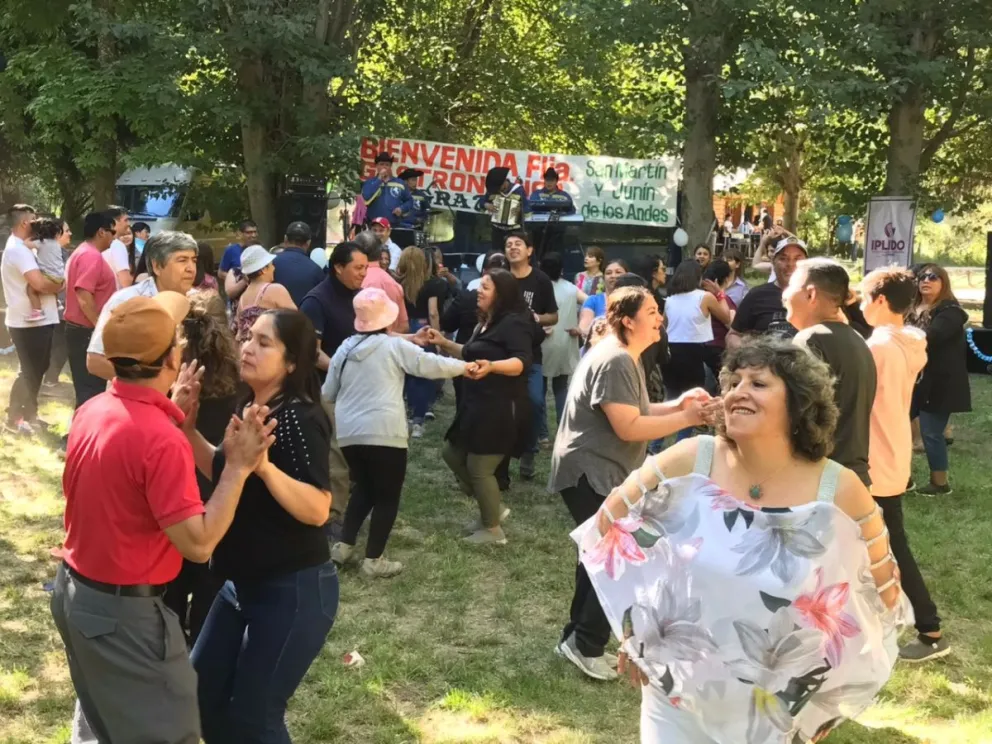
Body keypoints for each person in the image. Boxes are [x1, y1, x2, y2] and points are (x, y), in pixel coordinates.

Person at [585, 337, 905, 743]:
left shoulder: (838, 490)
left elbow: (883, 594)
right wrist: (635, 629)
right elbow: (607, 528)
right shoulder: (691, 461)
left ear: (799, 401)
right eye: (733, 381)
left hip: (770, 708)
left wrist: (824, 692)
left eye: (758, 382)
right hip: (677, 692)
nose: (738, 391)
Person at [52, 292, 274, 744]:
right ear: (172, 358)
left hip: (78, 594)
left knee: (103, 728)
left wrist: (174, 417)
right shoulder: (159, 439)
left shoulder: (92, 410)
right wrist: (237, 467)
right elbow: (198, 543)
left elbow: (132, 469)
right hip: (124, 616)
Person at [181, 310, 337, 744]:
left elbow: (319, 508)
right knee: (202, 695)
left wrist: (265, 469)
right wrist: (188, 430)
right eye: (249, 336)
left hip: (292, 590)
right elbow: (226, 471)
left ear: (291, 363)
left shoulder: (298, 419)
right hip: (239, 585)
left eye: (264, 342)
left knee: (254, 717)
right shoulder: (251, 404)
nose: (247, 346)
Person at [550, 286, 718, 681]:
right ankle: (585, 644)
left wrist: (678, 405)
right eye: (653, 311)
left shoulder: (625, 357)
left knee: (597, 556)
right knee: (612, 561)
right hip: (590, 472)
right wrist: (689, 419)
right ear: (628, 320)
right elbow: (629, 428)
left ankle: (575, 638)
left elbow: (636, 411)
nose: (660, 317)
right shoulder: (616, 360)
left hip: (599, 471)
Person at [323, 288, 472, 576]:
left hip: (349, 432)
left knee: (364, 489)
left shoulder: (344, 349)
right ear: (389, 320)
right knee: (387, 496)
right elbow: (432, 365)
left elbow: (328, 392)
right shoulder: (394, 347)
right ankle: (374, 560)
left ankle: (343, 547)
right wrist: (466, 367)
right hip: (385, 431)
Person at [860, 267, 947, 662]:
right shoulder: (907, 341)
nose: (859, 305)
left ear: (879, 301)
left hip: (876, 458)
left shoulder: (877, 348)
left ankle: (930, 630)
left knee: (892, 545)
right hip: (891, 453)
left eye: (863, 297)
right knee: (884, 543)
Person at [162, 292, 242, 646]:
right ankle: (204, 638)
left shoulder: (171, 370)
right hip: (216, 475)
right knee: (212, 568)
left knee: (173, 569)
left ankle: (172, 632)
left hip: (175, 478)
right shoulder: (236, 371)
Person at [431, 269, 532, 544]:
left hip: (501, 407)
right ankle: (493, 509)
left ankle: (493, 529)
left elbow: (522, 362)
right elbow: (468, 352)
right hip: (476, 404)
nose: (479, 291)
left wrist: (493, 367)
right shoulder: (486, 322)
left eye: (485, 288)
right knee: (452, 453)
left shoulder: (513, 323)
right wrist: (442, 342)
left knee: (479, 468)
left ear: (501, 294)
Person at [784, 258, 876, 489]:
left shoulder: (811, 339)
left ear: (810, 294)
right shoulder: (856, 338)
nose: (785, 295)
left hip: (821, 477)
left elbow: (800, 412)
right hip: (850, 474)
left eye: (791, 286)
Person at [300, 241, 368, 537]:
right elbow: (312, 353)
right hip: (323, 387)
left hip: (355, 387)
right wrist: (343, 368)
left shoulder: (358, 297)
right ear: (338, 268)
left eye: (366, 267)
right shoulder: (316, 300)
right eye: (358, 268)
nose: (363, 274)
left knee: (355, 447)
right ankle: (333, 516)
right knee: (336, 450)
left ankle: (348, 504)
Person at [87, 230, 199, 380]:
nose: (191, 268)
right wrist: (150, 388)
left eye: (194, 260)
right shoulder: (127, 301)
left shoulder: (200, 303)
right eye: (182, 260)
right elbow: (95, 361)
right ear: (157, 266)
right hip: (134, 400)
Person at [908, 263, 971, 496]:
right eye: (922, 276)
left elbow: (933, 336)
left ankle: (940, 483)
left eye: (933, 277)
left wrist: (902, 336)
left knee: (931, 432)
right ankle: (903, 478)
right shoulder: (911, 307)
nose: (926, 280)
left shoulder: (951, 312)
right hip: (912, 379)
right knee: (898, 427)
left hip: (940, 382)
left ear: (943, 282)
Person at [2, 204, 62, 435]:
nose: (38, 223)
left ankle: (30, 415)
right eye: (34, 219)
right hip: (28, 322)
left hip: (39, 320)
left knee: (38, 368)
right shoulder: (18, 250)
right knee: (29, 371)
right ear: (25, 223)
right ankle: (14, 419)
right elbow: (39, 284)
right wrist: (61, 284)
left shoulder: (24, 248)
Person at [504, 231, 557, 478]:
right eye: (508, 245)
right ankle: (498, 457)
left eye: (518, 244)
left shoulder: (541, 280)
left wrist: (536, 318)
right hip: (500, 352)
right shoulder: (500, 278)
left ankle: (529, 451)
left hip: (530, 354)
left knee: (535, 402)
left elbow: (553, 316)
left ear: (529, 250)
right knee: (502, 407)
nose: (513, 248)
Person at [662, 260, 732, 440]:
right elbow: (725, 317)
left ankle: (656, 443)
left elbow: (664, 325)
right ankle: (682, 439)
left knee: (671, 398)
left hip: (670, 350)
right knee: (692, 399)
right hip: (695, 350)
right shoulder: (704, 297)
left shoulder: (669, 300)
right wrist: (720, 294)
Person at [442, 252, 510, 410]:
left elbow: (447, 323)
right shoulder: (516, 301)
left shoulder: (467, 296)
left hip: (489, 364)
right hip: (476, 360)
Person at [64, 212, 118, 410]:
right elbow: (83, 295)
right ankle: (80, 436)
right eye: (112, 232)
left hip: (81, 329)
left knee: (87, 389)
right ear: (101, 232)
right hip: (85, 330)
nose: (115, 237)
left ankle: (79, 434)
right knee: (90, 391)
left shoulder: (84, 251)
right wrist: (99, 327)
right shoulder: (91, 256)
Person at [397, 246, 448, 437]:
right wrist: (436, 337)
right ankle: (418, 420)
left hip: (401, 327)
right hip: (422, 326)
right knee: (422, 373)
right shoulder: (433, 284)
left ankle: (404, 414)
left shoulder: (396, 283)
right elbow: (433, 311)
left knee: (404, 372)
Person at [726, 235, 807, 346]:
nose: (790, 264)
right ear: (773, 262)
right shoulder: (756, 295)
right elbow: (733, 335)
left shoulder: (818, 297)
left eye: (797, 259)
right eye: (783, 258)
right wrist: (750, 356)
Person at [539, 252, 581, 441]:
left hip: (540, 343)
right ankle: (563, 431)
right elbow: (590, 300)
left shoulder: (539, 288)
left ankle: (542, 434)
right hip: (565, 344)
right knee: (561, 388)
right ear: (562, 270)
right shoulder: (571, 289)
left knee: (538, 389)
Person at [230, 245, 296, 345]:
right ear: (263, 269)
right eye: (271, 265)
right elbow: (297, 320)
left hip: (248, 355)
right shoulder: (275, 290)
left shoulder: (242, 299)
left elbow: (239, 335)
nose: (274, 268)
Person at [361, 234, 409, 334]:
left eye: (387, 259)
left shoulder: (358, 280)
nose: (384, 262)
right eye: (382, 258)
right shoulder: (395, 285)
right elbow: (404, 326)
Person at [701, 258, 738, 384]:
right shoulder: (724, 300)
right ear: (726, 279)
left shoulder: (699, 297)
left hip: (699, 349)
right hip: (718, 350)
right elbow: (733, 325)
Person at [24, 216, 67, 322]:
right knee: (52, 275)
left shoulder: (41, 242)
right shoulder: (56, 244)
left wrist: (30, 237)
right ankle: (56, 302)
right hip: (60, 278)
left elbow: (25, 244)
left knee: (30, 289)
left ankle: (37, 311)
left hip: (49, 277)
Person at [272, 221, 324, 306]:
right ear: (308, 243)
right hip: (302, 318)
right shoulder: (316, 270)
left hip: (272, 317)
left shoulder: (269, 264)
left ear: (285, 239)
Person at [578, 259, 628, 336]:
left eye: (618, 272)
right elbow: (584, 329)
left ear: (627, 275)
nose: (613, 276)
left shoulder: (635, 300)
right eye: (608, 273)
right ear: (603, 277)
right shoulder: (592, 300)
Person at [361, 152, 412, 227]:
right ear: (377, 166)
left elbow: (409, 201)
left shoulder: (400, 183)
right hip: (374, 226)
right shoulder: (369, 182)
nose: (384, 167)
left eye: (387, 165)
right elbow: (366, 196)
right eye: (381, 164)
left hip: (394, 225)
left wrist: (402, 208)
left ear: (390, 167)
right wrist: (379, 179)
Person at [485, 169, 528, 253]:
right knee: (496, 254)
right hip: (497, 230)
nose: (498, 190)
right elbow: (482, 201)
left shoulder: (518, 190)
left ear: (505, 182)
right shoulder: (493, 190)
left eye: (500, 187)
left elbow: (527, 207)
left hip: (514, 230)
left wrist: (520, 210)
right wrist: (486, 205)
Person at [102, 205, 133, 289]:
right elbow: (126, 282)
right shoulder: (117, 245)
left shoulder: (100, 243)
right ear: (114, 222)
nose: (129, 224)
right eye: (125, 220)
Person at [218, 219, 258, 284]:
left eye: (255, 232)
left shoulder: (259, 250)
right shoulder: (231, 250)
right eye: (249, 232)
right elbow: (221, 273)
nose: (253, 235)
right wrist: (238, 279)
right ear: (240, 234)